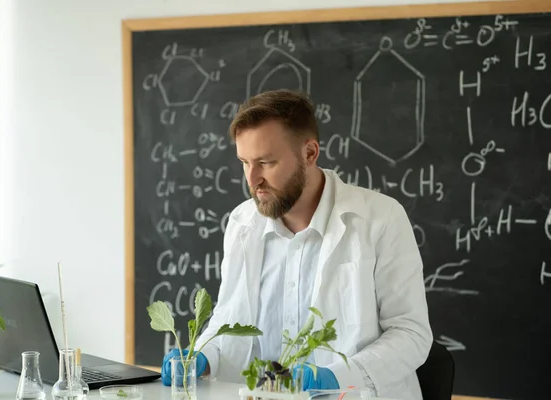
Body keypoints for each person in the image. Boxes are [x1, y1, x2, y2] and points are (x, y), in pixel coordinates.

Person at [161, 89, 433, 400]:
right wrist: (204, 356)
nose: (253, 179)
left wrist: (336, 377)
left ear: (310, 153)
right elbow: (229, 321)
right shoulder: (241, 223)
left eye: (266, 162)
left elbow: (411, 335)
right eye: (244, 162)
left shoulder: (380, 219)